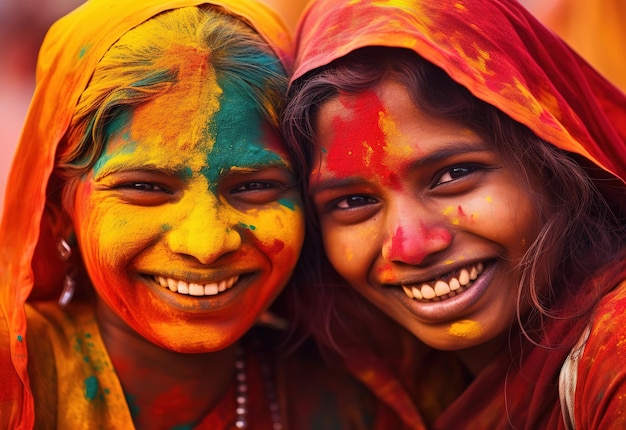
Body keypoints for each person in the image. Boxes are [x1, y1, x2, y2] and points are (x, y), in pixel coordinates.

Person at [0, 1, 383, 428]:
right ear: (57, 210)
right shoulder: (15, 376)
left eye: (255, 187)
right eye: (146, 187)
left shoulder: (353, 394)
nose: (206, 245)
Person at [282, 0, 626, 428]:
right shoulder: (381, 381)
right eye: (353, 202)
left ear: (552, 164)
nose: (410, 245)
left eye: (453, 175)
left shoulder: (615, 351)